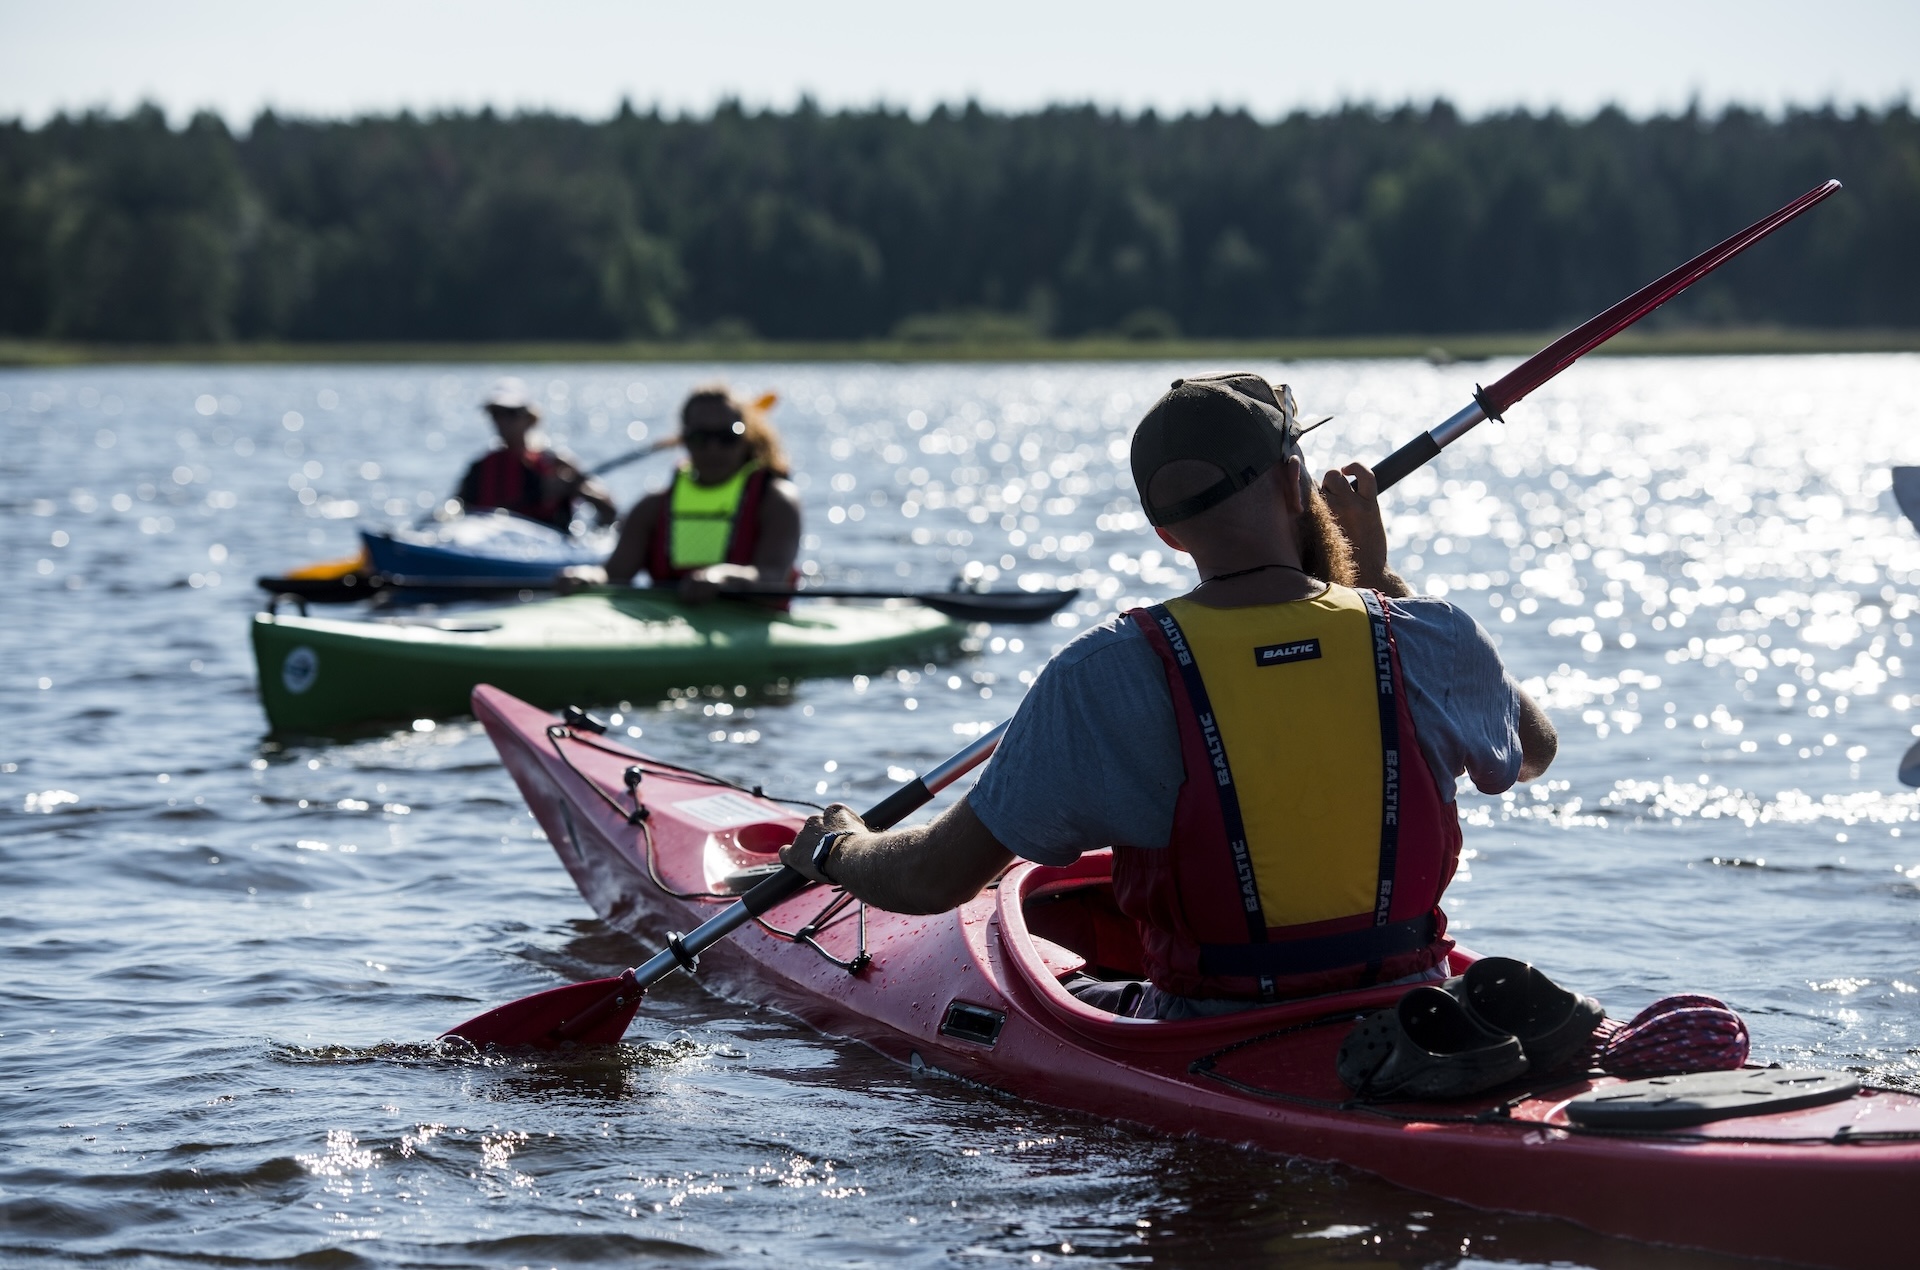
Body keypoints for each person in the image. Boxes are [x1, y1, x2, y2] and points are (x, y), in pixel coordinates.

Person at [779, 372, 1557, 1019]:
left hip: (1206, 1026)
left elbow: (932, 880)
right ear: (1293, 481)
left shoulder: (1102, 674)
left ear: (1166, 532)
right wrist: (1381, 582)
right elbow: (1533, 750)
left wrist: (837, 848)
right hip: (1411, 1011)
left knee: (1048, 964)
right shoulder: (1429, 635)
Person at [561, 385, 802, 602]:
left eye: (726, 438)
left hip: (752, 624)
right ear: (684, 440)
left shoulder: (777, 500)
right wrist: (588, 575)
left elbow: (772, 575)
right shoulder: (652, 507)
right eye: (700, 438)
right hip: (670, 625)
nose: (713, 449)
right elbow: (613, 574)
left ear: (745, 439)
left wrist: (721, 576)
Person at [454, 378, 617, 532]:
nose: (502, 421)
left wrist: (574, 488)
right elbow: (456, 507)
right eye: (496, 413)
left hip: (546, 544)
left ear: (529, 418)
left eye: (511, 413)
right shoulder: (480, 468)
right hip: (491, 542)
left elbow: (609, 512)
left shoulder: (557, 463)